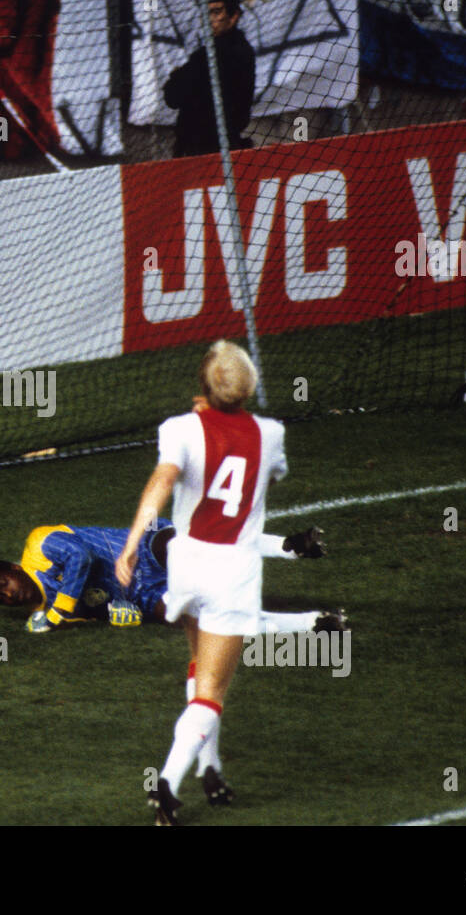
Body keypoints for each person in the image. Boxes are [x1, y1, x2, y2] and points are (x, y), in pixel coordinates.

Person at [116, 340, 288, 825]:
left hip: (186, 563)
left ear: (203, 388)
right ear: (248, 387)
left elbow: (162, 480)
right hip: (232, 570)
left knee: (198, 666)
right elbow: (268, 481)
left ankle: (210, 769)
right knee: (214, 689)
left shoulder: (179, 428)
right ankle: (168, 783)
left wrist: (132, 541)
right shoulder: (271, 433)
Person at [0, 522, 340, 635]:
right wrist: (123, 615)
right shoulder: (46, 610)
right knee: (205, 617)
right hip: (145, 590)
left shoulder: (40, 544)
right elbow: (102, 610)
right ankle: (314, 624)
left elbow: (81, 556)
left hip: (141, 548)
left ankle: (290, 546)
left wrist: (59, 614)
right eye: (0, 599)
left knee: (185, 544)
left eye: (2, 586)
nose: (7, 595)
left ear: (13, 568)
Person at [163, 0, 255, 157]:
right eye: (205, 13)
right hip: (220, 147)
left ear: (234, 15)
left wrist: (177, 76)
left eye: (216, 12)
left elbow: (172, 95)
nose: (209, 20)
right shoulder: (241, 49)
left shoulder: (212, 55)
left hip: (203, 151)